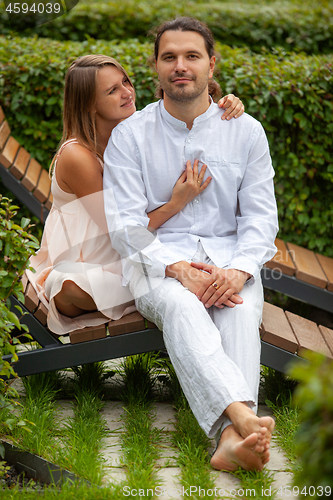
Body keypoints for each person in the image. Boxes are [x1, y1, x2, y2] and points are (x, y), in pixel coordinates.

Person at [103, 17, 279, 471]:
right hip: (157, 263)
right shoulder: (129, 137)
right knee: (182, 307)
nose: (180, 66)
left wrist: (239, 269)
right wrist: (178, 268)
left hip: (229, 259)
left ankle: (229, 442)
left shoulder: (246, 131)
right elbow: (125, 226)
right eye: (170, 57)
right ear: (156, 67)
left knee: (237, 309)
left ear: (211, 64)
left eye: (192, 56)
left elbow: (260, 218)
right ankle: (242, 416)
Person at [26, 54, 244, 334]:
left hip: (131, 257)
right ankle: (185, 290)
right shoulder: (78, 156)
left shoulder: (131, 136)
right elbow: (117, 230)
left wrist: (220, 104)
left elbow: (180, 118)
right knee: (69, 287)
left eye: (125, 82)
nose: (127, 93)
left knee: (184, 271)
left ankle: (188, 288)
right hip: (90, 263)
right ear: (89, 104)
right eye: (112, 90)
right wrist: (176, 203)